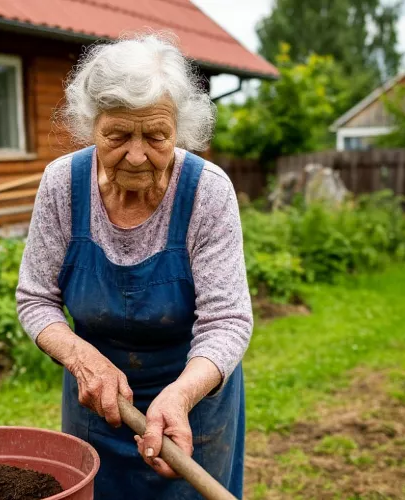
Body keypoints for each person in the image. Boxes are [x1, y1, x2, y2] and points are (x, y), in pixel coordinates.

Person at [16, 33, 252, 499]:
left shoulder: (208, 192)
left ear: (179, 130)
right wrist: (81, 357)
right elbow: (36, 298)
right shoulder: (63, 185)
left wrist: (181, 395)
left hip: (193, 403)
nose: (138, 154)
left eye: (157, 136)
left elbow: (227, 320)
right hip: (96, 404)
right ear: (91, 127)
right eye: (118, 135)